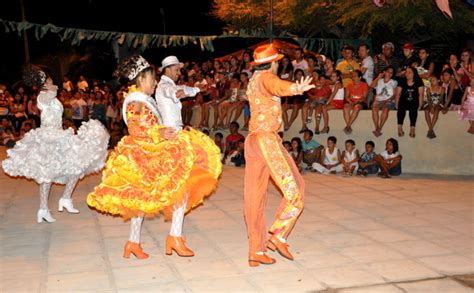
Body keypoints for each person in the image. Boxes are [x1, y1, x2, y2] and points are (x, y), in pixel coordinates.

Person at [87, 55, 222, 259]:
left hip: (154, 151)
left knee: (172, 191)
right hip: (146, 155)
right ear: (142, 79)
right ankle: (151, 241)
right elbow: (134, 126)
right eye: (152, 79)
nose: (155, 82)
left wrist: (157, 133)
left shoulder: (142, 99)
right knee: (148, 198)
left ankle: (161, 239)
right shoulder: (136, 101)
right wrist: (156, 133)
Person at [2, 65, 109, 223]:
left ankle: (65, 199)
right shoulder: (42, 97)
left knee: (76, 167)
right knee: (47, 174)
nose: (51, 82)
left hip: (60, 135)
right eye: (48, 80)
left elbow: (56, 103)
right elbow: (50, 94)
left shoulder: (53, 96)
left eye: (50, 79)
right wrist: (45, 84)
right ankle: (43, 209)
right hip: (47, 138)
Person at [243, 44, 314, 267]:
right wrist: (295, 88)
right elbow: (275, 85)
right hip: (266, 140)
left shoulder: (253, 80)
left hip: (254, 141)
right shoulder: (265, 78)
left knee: (254, 197)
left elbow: (272, 86)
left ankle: (256, 250)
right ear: (273, 63)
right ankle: (279, 235)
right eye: (278, 62)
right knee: (296, 190)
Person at [395, 66, 424, 138]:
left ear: (414, 73)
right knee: (401, 108)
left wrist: (420, 104)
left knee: (413, 109)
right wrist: (396, 104)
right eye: (406, 72)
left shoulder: (419, 81)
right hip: (403, 101)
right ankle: (399, 127)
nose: (407, 74)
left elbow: (421, 94)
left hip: (414, 101)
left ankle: (412, 128)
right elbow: (398, 93)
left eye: (409, 72)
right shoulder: (402, 80)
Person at [371, 66, 398, 137]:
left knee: (385, 109)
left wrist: (388, 100)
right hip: (379, 100)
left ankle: (379, 128)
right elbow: (372, 85)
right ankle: (376, 127)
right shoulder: (379, 81)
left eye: (391, 73)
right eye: (388, 71)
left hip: (389, 100)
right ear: (384, 72)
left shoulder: (394, 82)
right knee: (374, 107)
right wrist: (378, 77)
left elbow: (395, 94)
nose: (389, 74)